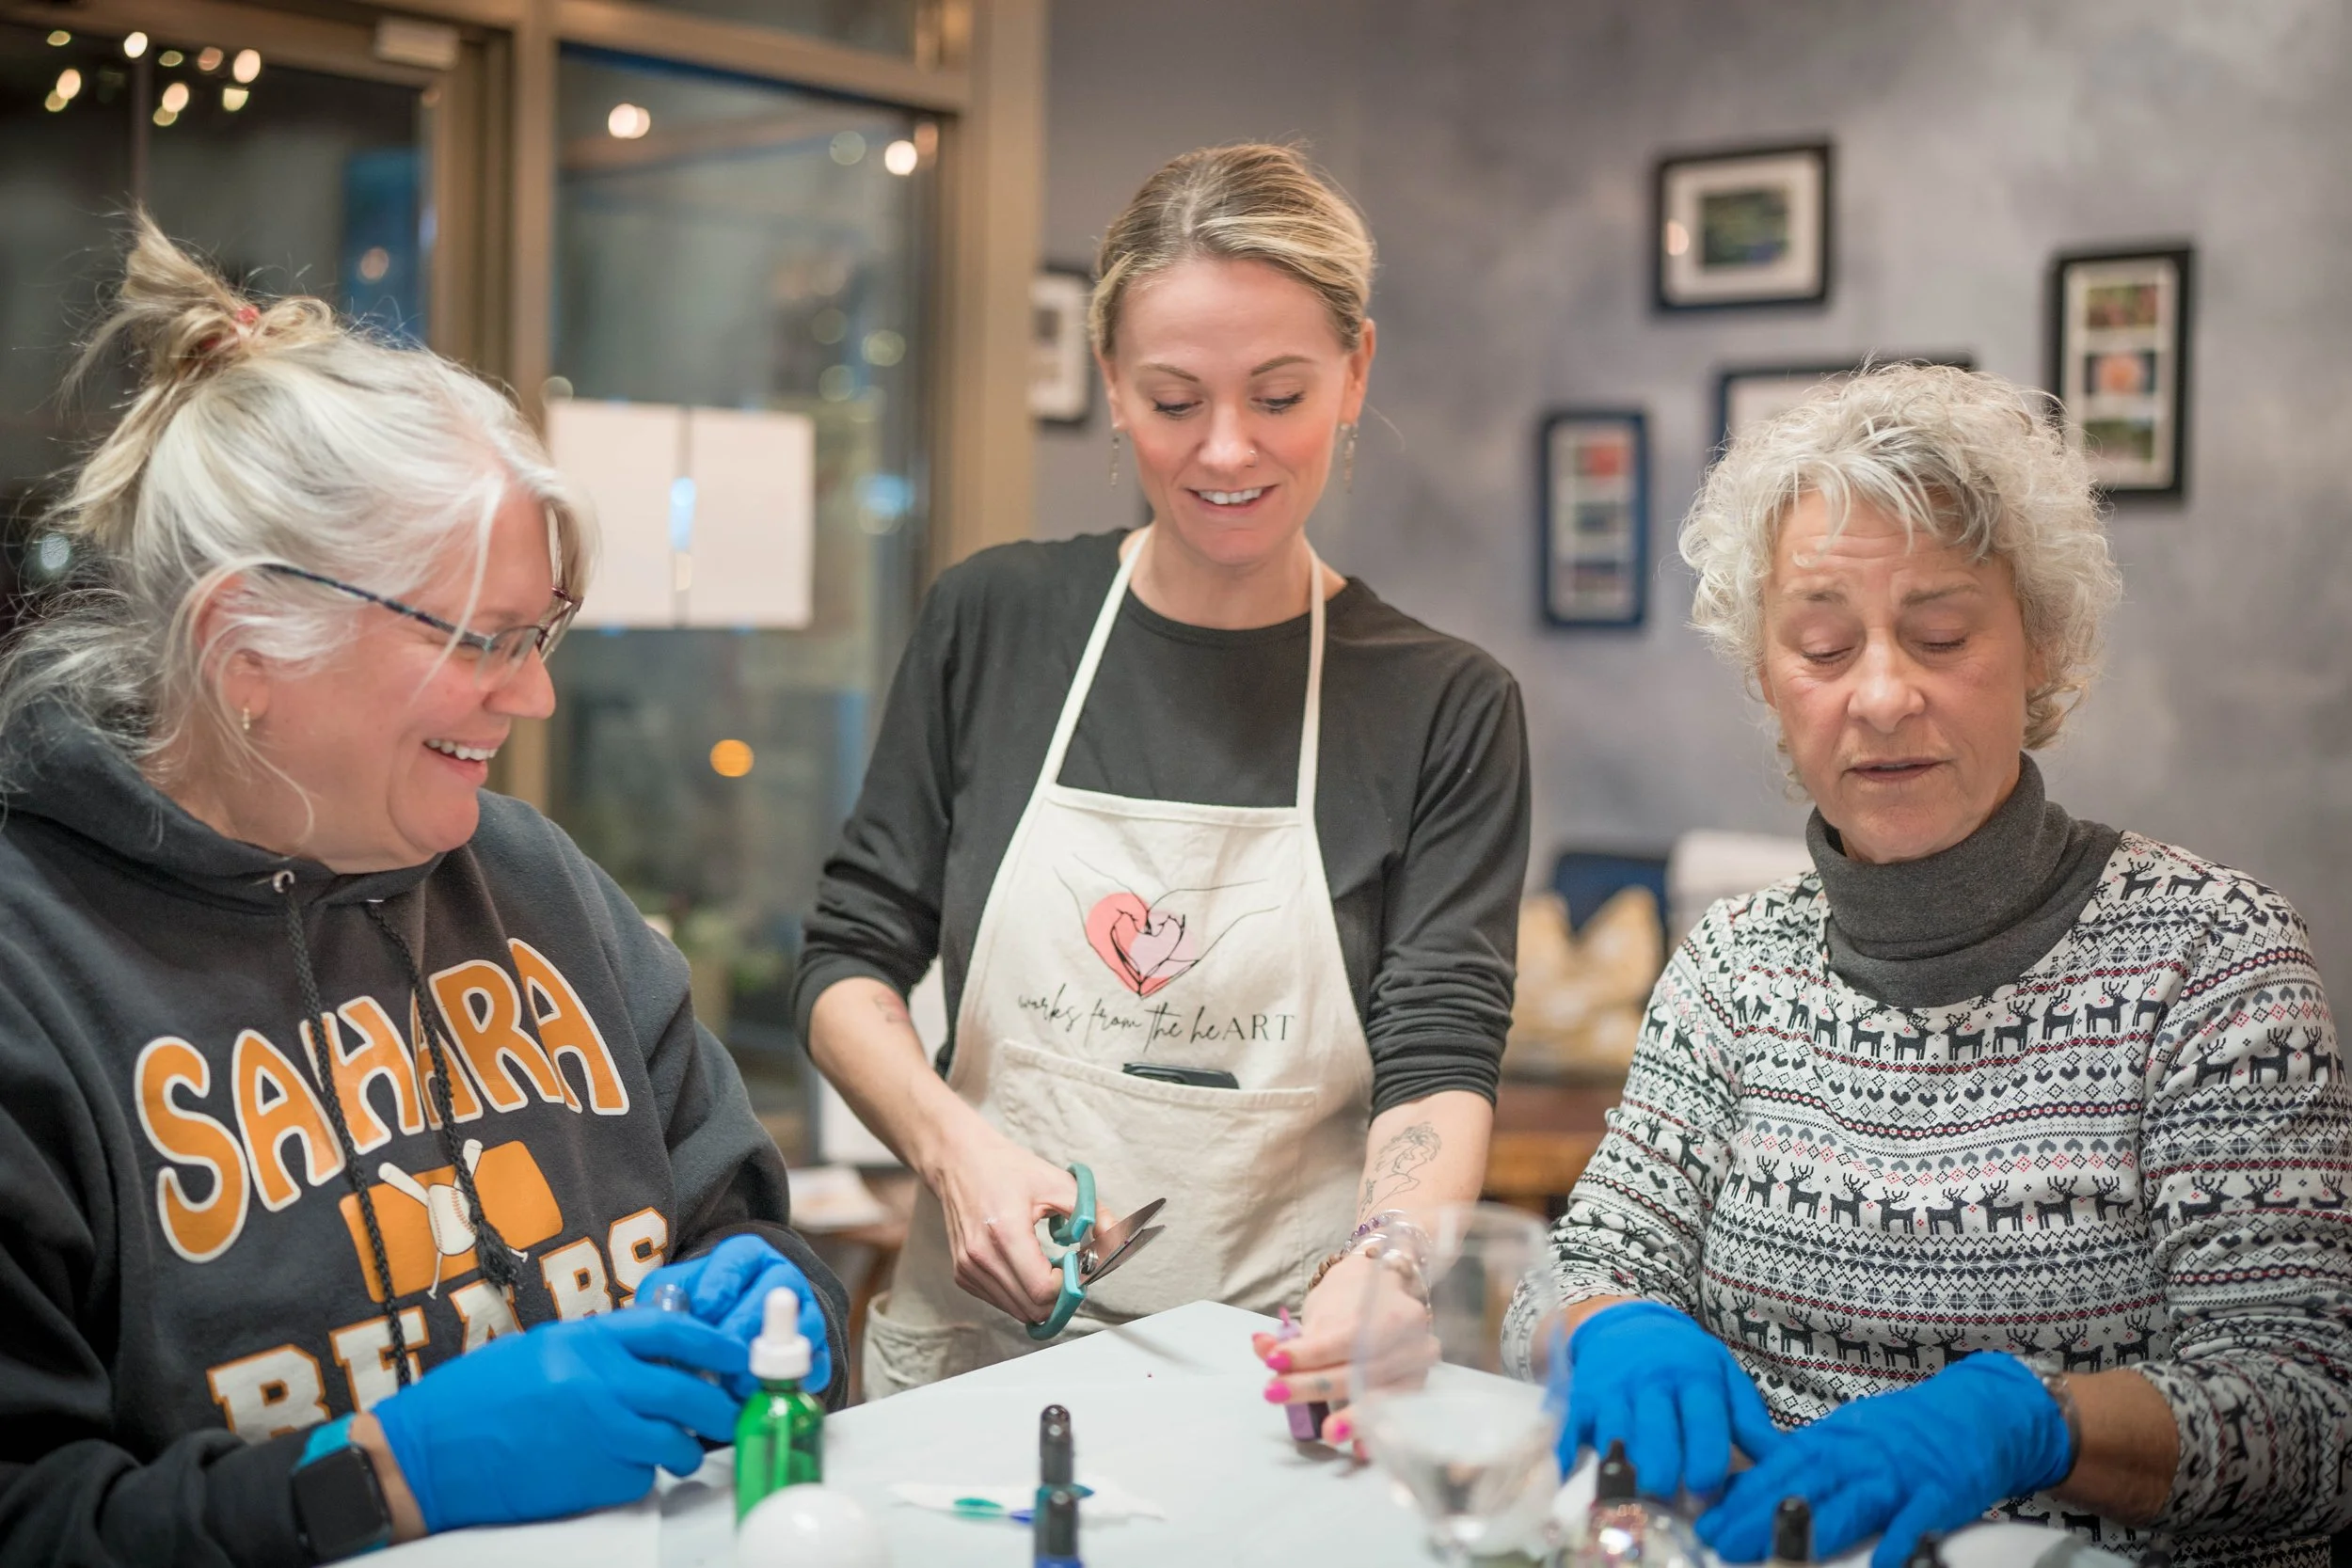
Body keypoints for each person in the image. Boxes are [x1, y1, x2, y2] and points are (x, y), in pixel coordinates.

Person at [0, 219, 848, 1565]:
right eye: (481, 640)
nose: (537, 694)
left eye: (541, 633)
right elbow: (35, 1519)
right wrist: (381, 1474)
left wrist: (778, 1298)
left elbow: (741, 1223)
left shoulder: (536, 882)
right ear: (247, 645)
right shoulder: (33, 979)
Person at [1510, 363, 2352, 1568]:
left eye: (1940, 634)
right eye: (1821, 644)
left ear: (2040, 647)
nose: (1881, 694)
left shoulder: (2213, 963)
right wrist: (1606, 1324)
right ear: (1766, 678)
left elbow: (2309, 1417)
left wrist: (2034, 1421)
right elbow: (1576, 1267)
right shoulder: (1732, 966)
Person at [799, 144, 1530, 1406]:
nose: (1227, 449)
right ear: (1111, 383)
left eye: (1279, 394)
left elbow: (1440, 1045)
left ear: (1356, 372)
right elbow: (847, 956)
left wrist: (1391, 1263)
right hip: (970, 1371)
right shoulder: (994, 620)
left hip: (1282, 1381)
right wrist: (951, 1148)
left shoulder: (1442, 704)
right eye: (1175, 399)